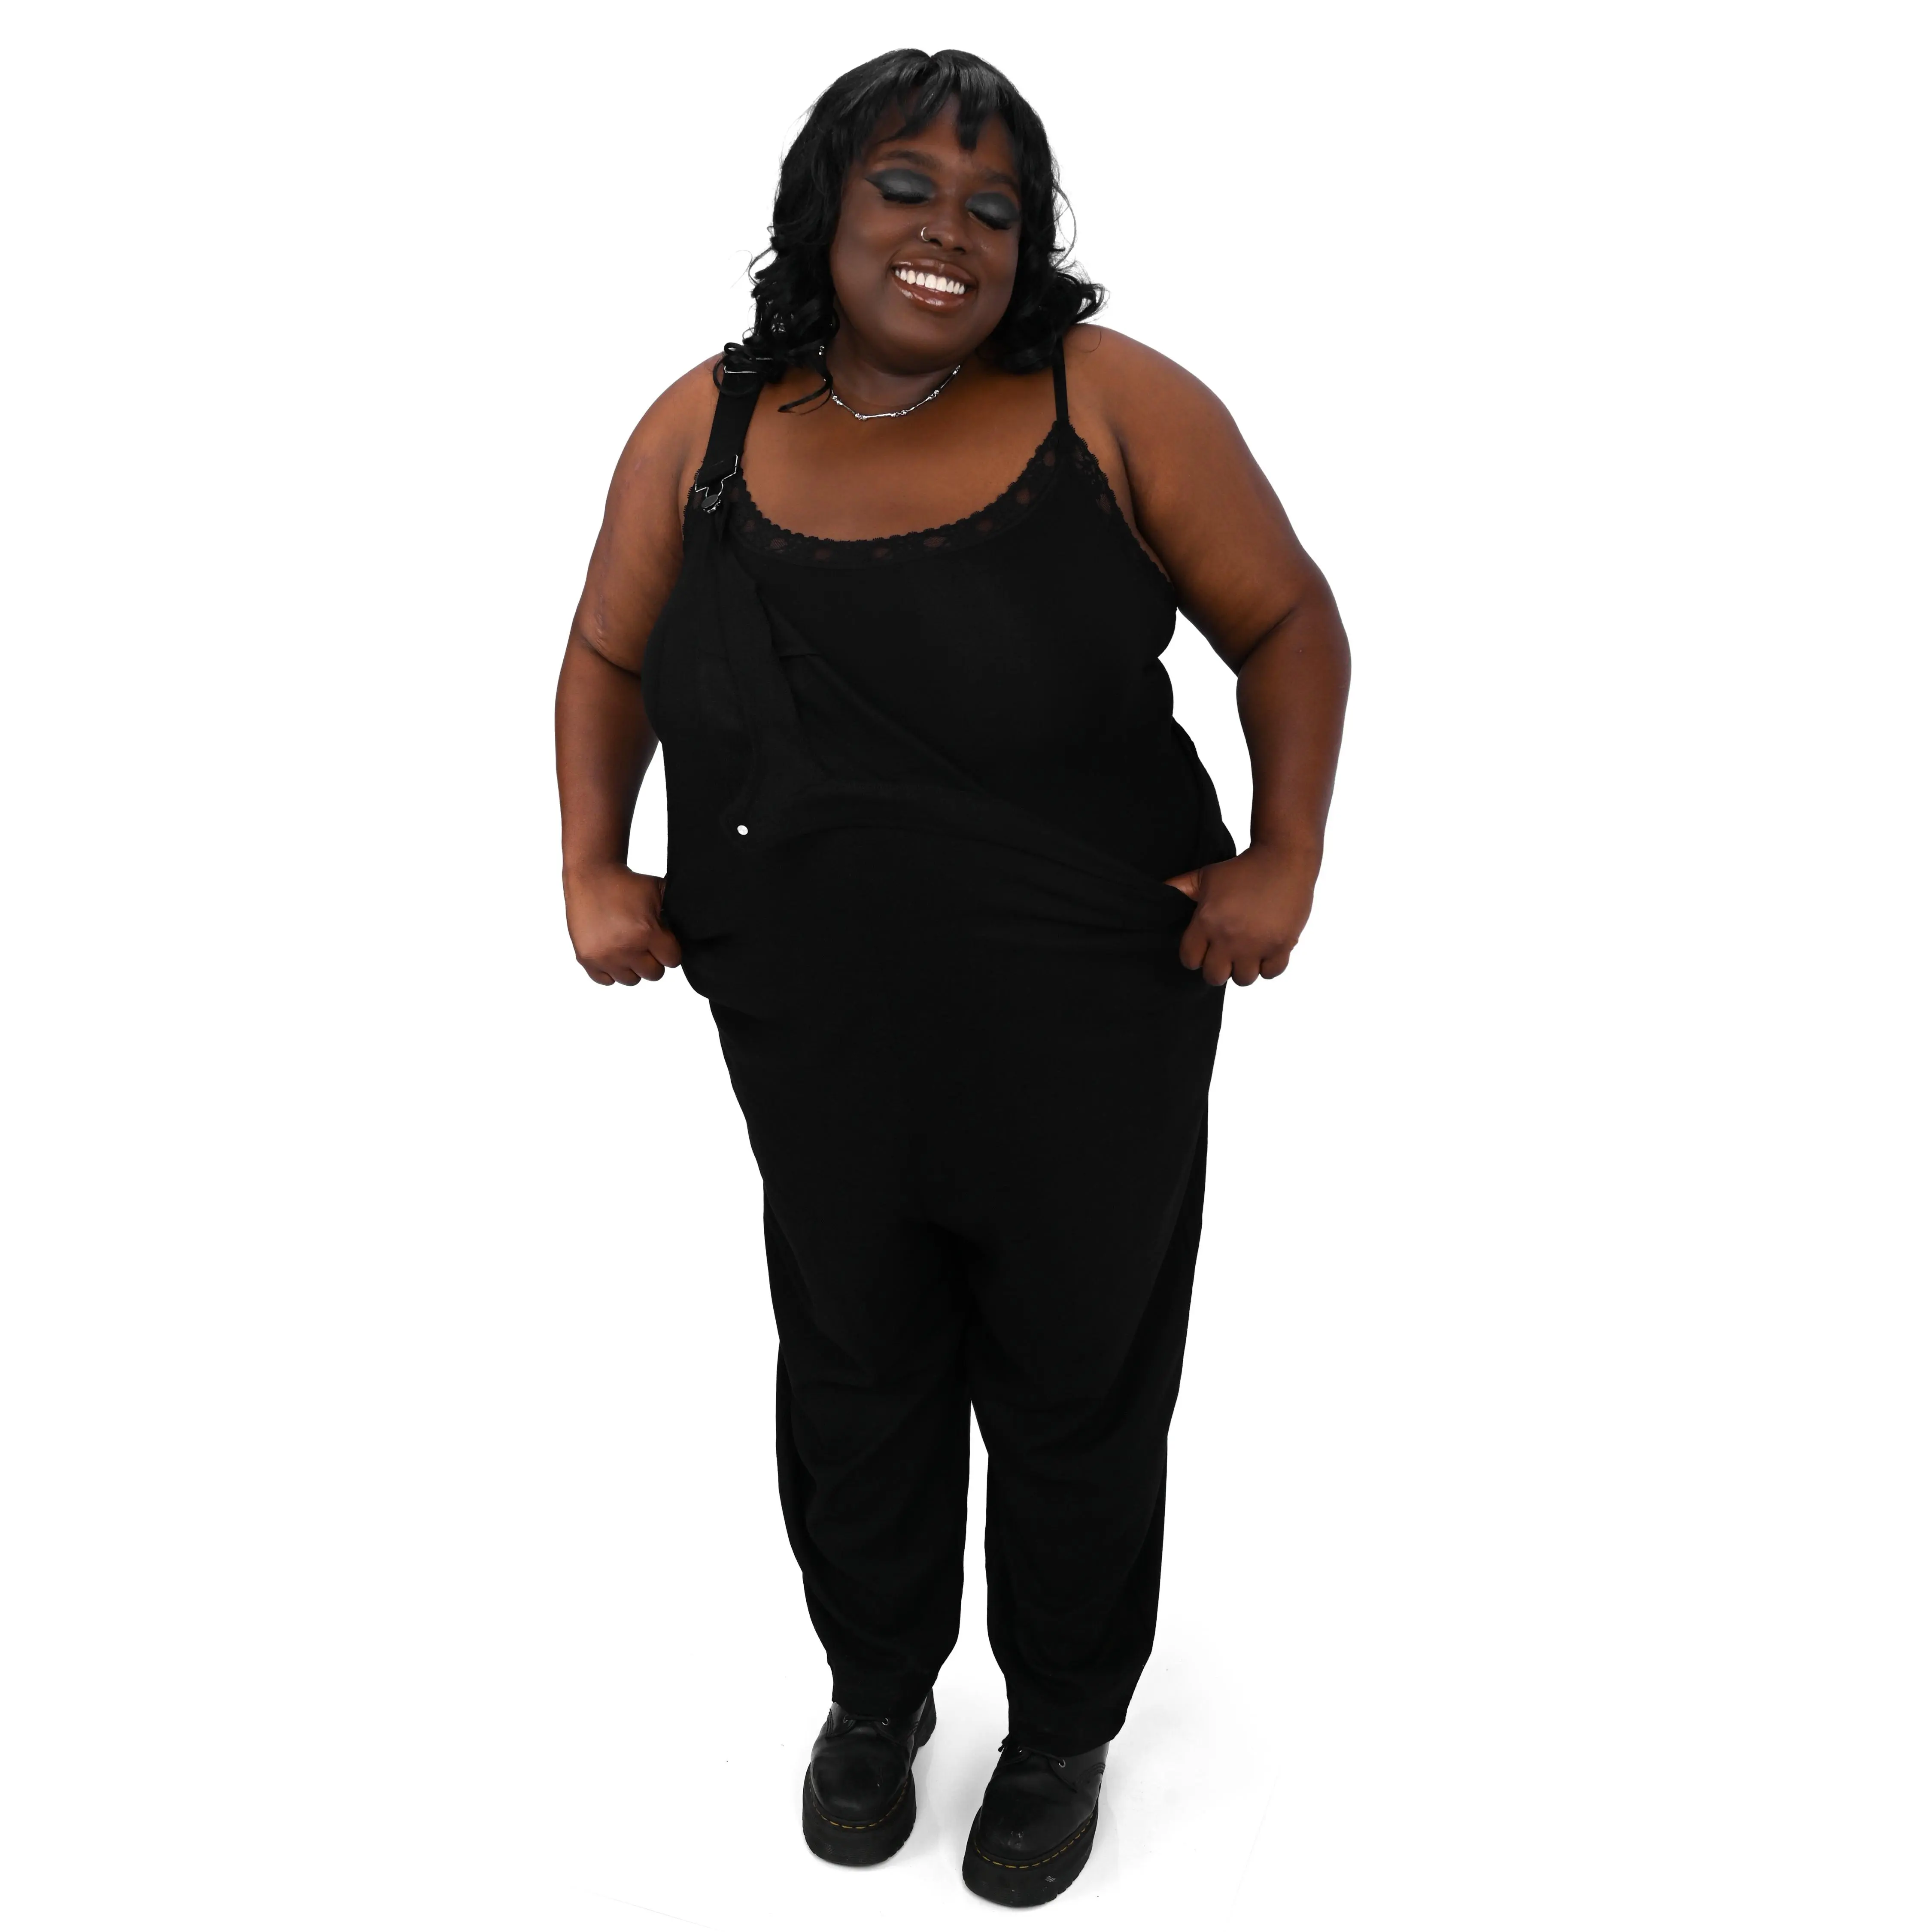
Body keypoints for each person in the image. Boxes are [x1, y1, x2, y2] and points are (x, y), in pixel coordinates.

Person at [554, 47, 1349, 1908]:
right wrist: (593, 861)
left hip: (1091, 1009)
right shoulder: (704, 428)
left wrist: (1286, 854)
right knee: (853, 1356)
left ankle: (1059, 1725)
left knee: (1076, 1371)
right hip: (810, 1012)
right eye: (906, 186)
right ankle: (877, 1689)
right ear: (824, 207)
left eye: (997, 207)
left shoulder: (1111, 401)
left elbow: (1287, 620)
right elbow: (606, 656)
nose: (951, 232)